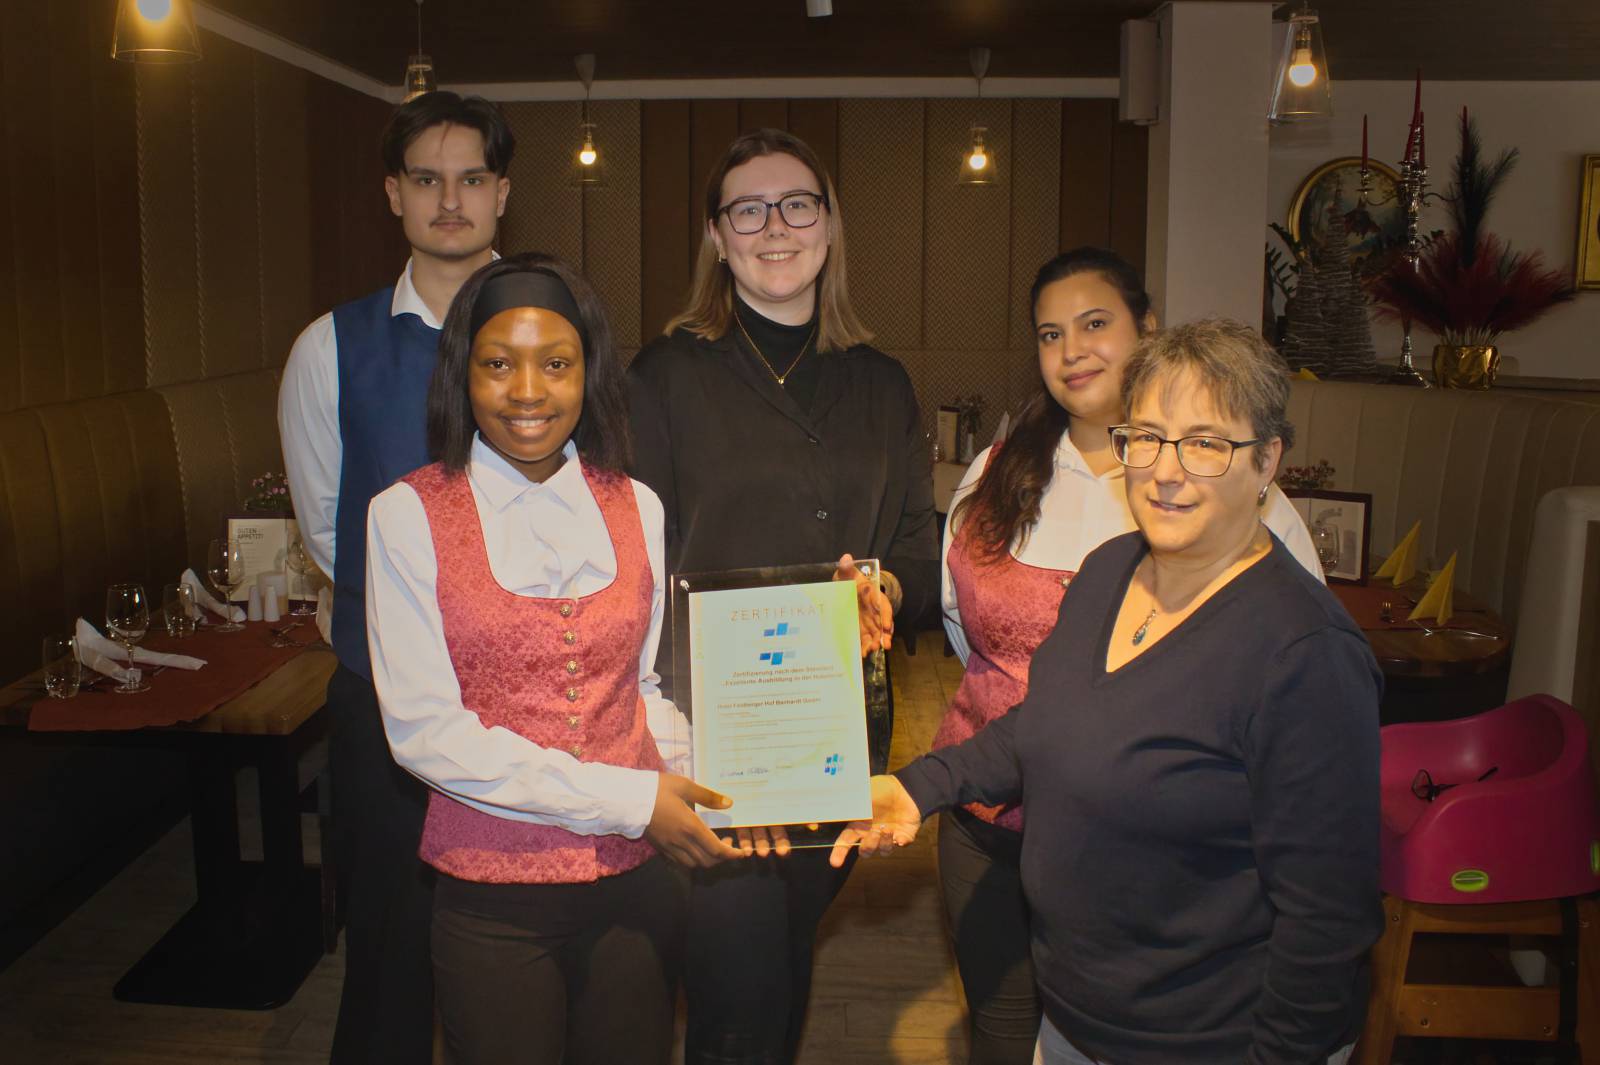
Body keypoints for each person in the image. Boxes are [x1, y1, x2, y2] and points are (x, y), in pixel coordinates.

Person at [842, 319, 1383, 1065]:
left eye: (1205, 442)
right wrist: (917, 787)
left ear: (1266, 460)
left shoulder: (1304, 655)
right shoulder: (1106, 572)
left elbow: (1328, 920)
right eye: (1148, 437)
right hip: (1073, 1022)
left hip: (1209, 1043)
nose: (1166, 469)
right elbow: (1048, 723)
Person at [933, 249, 1325, 1063]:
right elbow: (962, 633)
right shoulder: (996, 475)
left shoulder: (1241, 502)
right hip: (985, 822)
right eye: (1050, 332)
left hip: (1149, 847)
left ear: (1147, 330)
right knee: (1007, 1034)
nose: (1071, 348)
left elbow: (1293, 690)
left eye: (1095, 323)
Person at [365, 254, 744, 1065]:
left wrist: (719, 787)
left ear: (589, 373)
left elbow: (637, 687)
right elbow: (427, 733)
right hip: (493, 895)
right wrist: (630, 799)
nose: (528, 391)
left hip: (637, 884)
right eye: (498, 363)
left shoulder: (636, 503)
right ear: (463, 375)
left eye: (556, 364)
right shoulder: (405, 515)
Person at [626, 127, 938, 1064]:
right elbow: (629, 565)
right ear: (718, 237)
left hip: (841, 736)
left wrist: (883, 585)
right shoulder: (664, 376)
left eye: (797, 203)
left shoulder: (882, 383)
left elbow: (917, 547)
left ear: (830, 226)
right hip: (712, 736)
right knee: (737, 986)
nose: (775, 226)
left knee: (787, 957)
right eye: (747, 209)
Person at [277, 91, 512, 1063]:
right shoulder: (328, 349)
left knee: (523, 953)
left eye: (469, 179)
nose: (448, 200)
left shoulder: (557, 338)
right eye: (426, 179)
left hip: (532, 705)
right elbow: (335, 536)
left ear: (502, 194)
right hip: (386, 708)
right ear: (393, 193)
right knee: (388, 956)